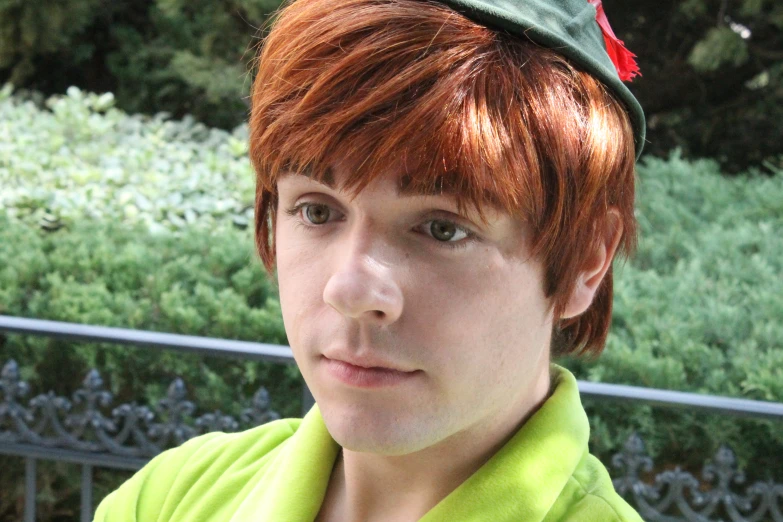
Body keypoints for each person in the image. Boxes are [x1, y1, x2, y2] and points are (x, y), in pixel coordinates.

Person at [94, 0, 646, 520]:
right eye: (316, 211)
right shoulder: (171, 497)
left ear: (585, 263)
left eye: (441, 228)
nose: (351, 289)